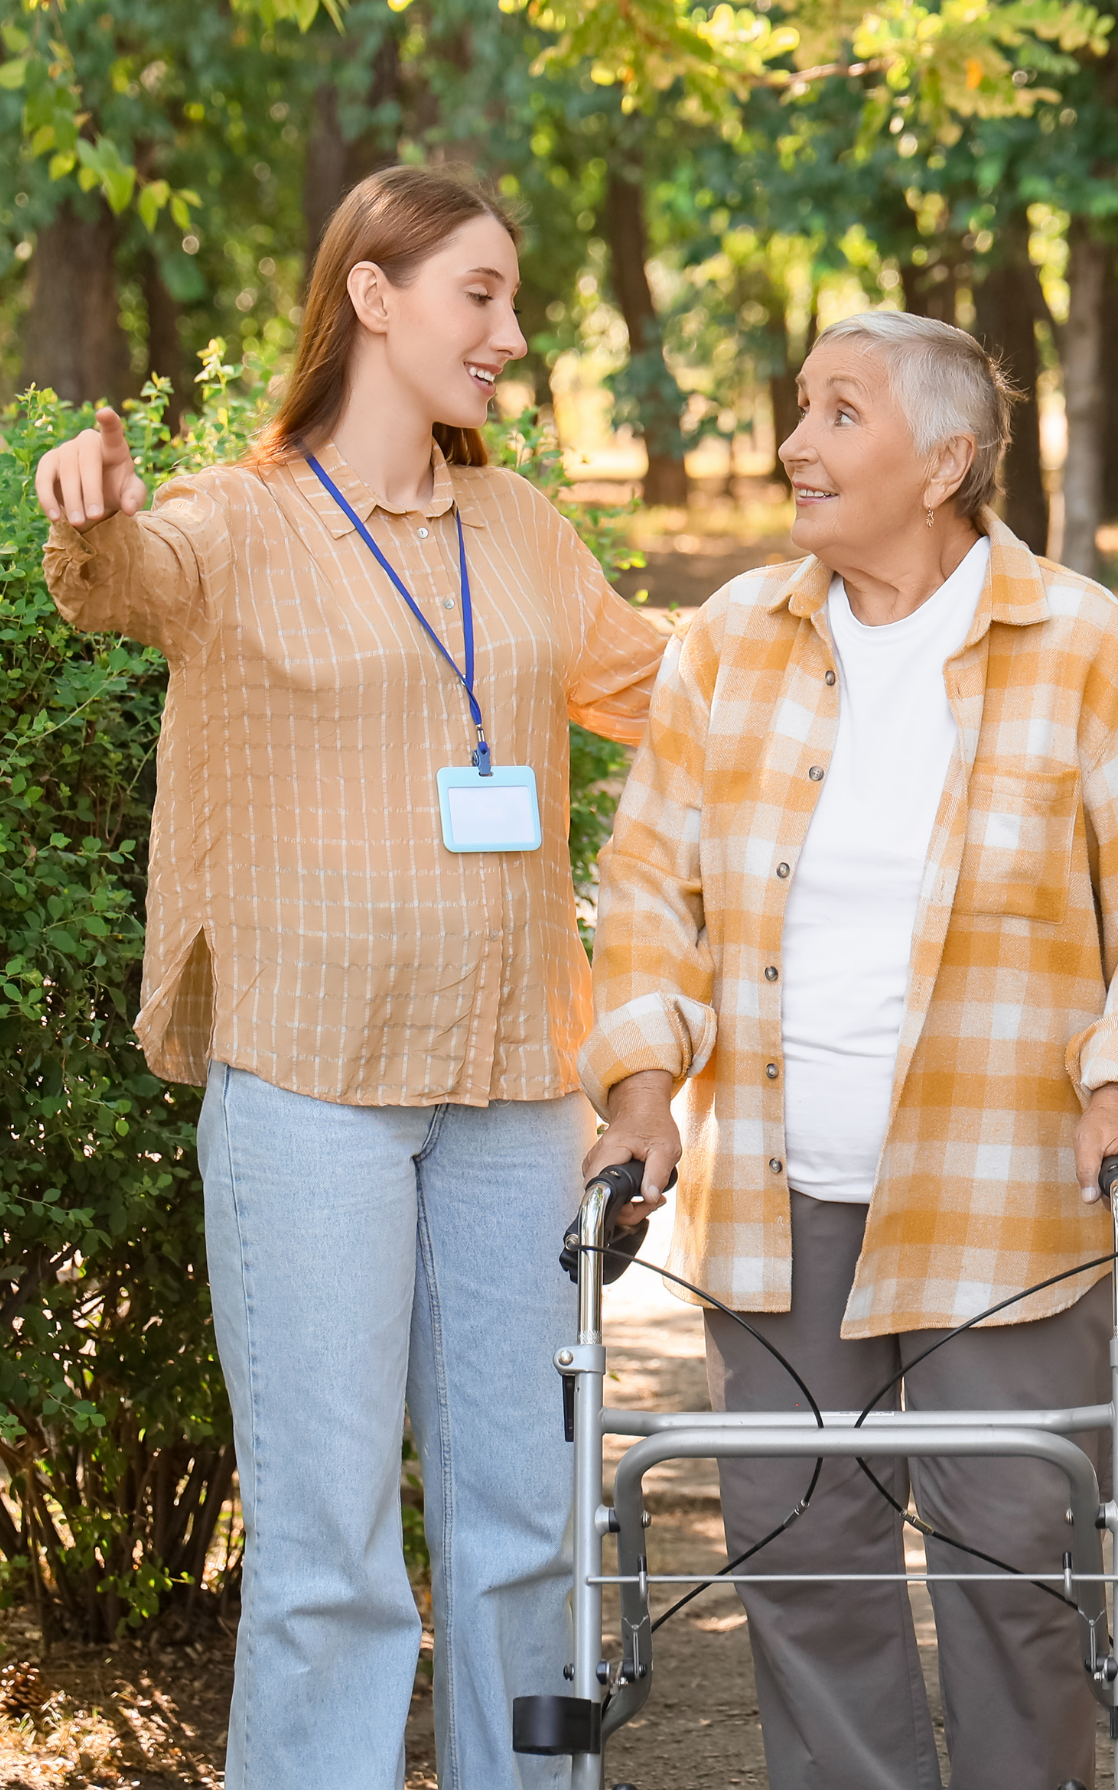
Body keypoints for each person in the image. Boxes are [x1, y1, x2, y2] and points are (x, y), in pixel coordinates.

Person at [36, 166, 665, 1789]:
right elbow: (128, 583)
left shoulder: (521, 527)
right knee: (327, 1565)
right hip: (310, 1091)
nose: (511, 333)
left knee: (526, 1526)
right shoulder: (236, 523)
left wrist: (850, 594)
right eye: (481, 296)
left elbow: (669, 690)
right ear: (373, 299)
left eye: (515, 299)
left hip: (514, 1087)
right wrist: (90, 514)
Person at [579, 308, 1118, 1788]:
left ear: (945, 460)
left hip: (999, 1204)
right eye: (801, 405)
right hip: (777, 1205)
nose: (796, 443)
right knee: (806, 1561)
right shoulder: (731, 646)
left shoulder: (1084, 646)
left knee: (1018, 1570)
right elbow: (646, 890)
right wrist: (638, 1092)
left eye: (840, 412)